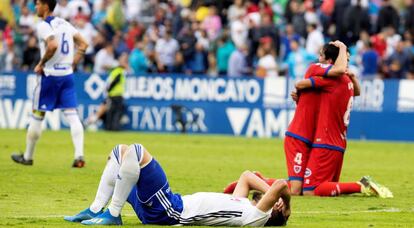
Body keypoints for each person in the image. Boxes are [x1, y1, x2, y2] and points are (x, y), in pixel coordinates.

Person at [64, 144, 291, 226]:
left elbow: (281, 184)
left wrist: (286, 204)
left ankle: (113, 214)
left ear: (272, 211)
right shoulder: (242, 203)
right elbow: (246, 176)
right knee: (118, 154)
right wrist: (272, 195)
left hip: (171, 210)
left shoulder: (256, 217)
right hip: (161, 209)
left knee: (137, 151)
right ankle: (95, 209)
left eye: (275, 204)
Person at [11, 0, 89, 168]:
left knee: (37, 115)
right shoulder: (65, 24)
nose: (35, 7)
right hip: (67, 76)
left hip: (50, 77)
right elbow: (84, 44)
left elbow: (52, 45)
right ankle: (79, 156)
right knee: (73, 116)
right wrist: (73, 63)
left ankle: (28, 156)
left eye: (38, 3)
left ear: (46, 5)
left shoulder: (44, 26)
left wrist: (41, 63)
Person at [284, 41, 349, 195]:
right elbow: (300, 84)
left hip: (315, 140)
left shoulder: (331, 82)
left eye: (321, 55)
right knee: (297, 190)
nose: (317, 59)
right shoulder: (316, 68)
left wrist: (342, 47)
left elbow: (339, 71)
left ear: (329, 62)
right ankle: (256, 180)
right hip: (300, 136)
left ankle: (258, 179)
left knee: (302, 188)